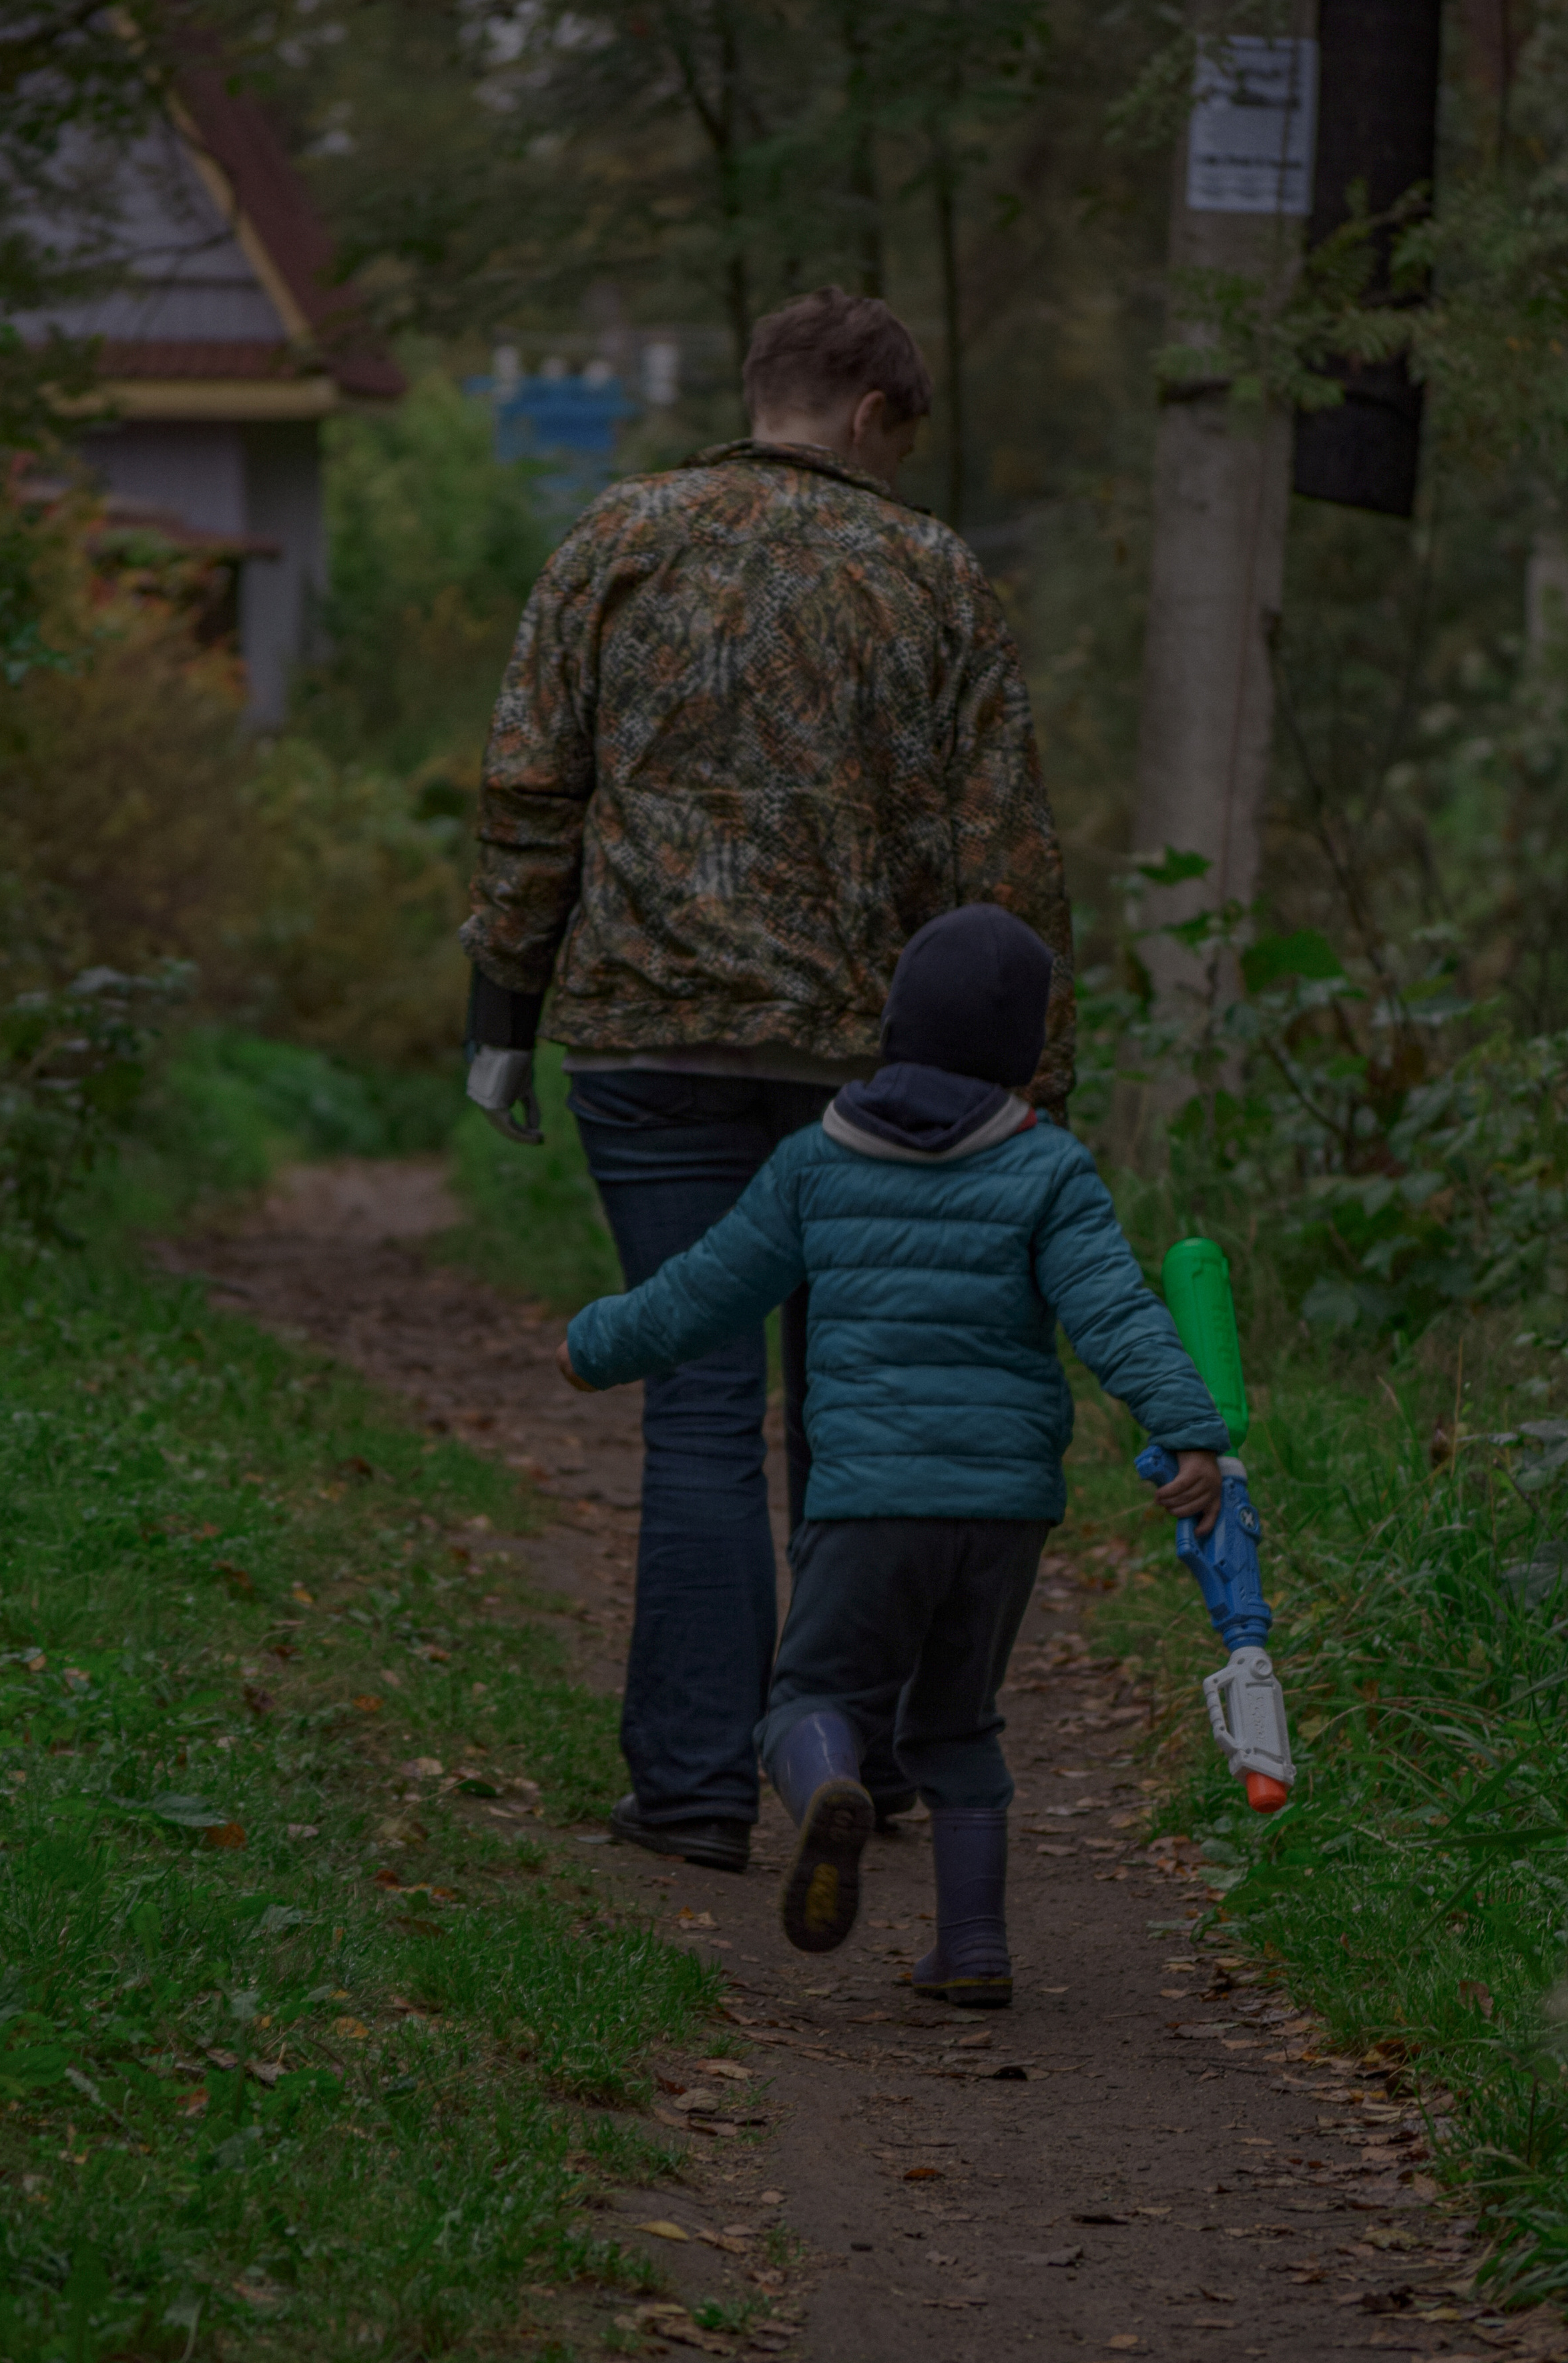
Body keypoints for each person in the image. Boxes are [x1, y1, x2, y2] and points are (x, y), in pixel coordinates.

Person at [460, 287, 1077, 1876]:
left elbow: (531, 788)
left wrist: (500, 1011)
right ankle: (848, 1752)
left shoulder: (613, 536)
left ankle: (683, 1792)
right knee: (857, 1416)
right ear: (876, 412)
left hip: (645, 1042)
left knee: (699, 1408)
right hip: (866, 1075)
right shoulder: (929, 571)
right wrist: (1036, 1087)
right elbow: (996, 852)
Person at [555, 905, 1230, 2002]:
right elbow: (1118, 1312)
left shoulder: (812, 1163)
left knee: (804, 1697)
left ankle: (829, 1786)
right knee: (959, 1725)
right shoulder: (1049, 1167)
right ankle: (973, 1950)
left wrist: (593, 1344)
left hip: (870, 1500)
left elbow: (702, 1293)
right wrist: (1187, 1426)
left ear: (891, 1024)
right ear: (1024, 1050)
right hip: (1005, 1512)